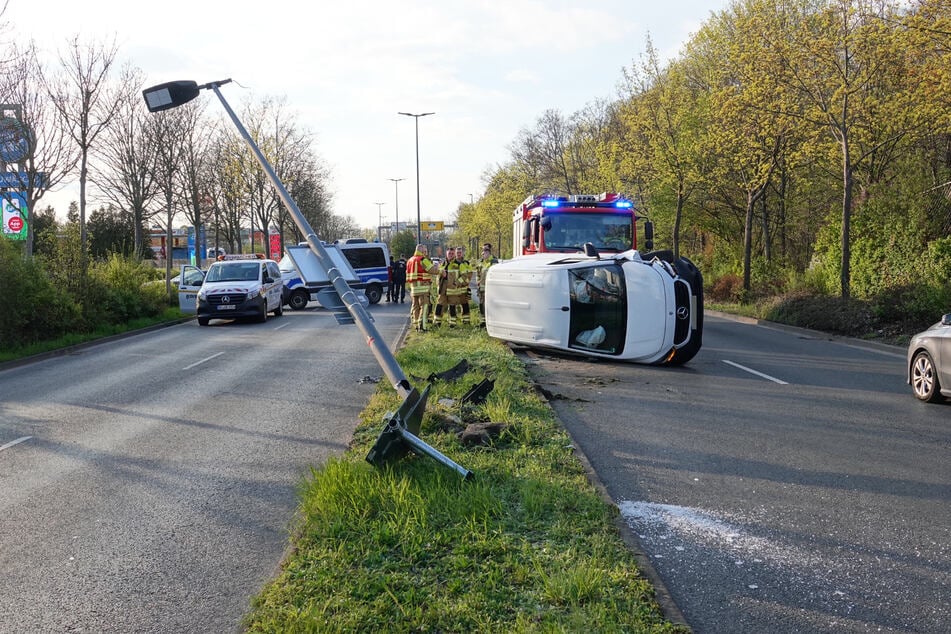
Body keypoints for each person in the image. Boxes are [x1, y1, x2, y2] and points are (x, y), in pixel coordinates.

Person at [406, 244, 438, 332]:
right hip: (423, 287)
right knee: (424, 307)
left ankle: (416, 325)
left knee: (415, 306)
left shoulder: (410, 260)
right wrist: (440, 271)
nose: (426, 253)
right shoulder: (423, 259)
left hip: (413, 288)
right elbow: (433, 270)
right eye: (425, 251)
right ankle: (422, 327)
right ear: (422, 251)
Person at [446, 245, 473, 327]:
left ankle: (466, 321)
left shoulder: (466, 263)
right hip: (455, 289)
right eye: (457, 252)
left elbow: (469, 275)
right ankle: (452, 322)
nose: (458, 254)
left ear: (463, 253)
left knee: (465, 305)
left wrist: (464, 283)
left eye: (460, 252)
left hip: (464, 288)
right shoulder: (451, 263)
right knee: (452, 305)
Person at [476, 242, 498, 327]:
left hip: (490, 289)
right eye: (482, 251)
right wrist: (478, 281)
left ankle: (490, 323)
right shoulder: (481, 262)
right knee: (481, 305)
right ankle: (483, 322)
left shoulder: (494, 261)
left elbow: (495, 275)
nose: (483, 253)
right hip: (481, 289)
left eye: (485, 252)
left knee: (489, 306)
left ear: (489, 252)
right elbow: (478, 274)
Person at [432, 246, 455, 327]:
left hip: (452, 288)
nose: (451, 255)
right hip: (443, 287)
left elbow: (462, 276)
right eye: (449, 253)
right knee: (439, 305)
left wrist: (457, 283)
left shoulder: (458, 264)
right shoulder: (442, 263)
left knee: (452, 306)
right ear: (446, 254)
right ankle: (437, 322)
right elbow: (437, 274)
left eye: (452, 254)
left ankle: (452, 323)